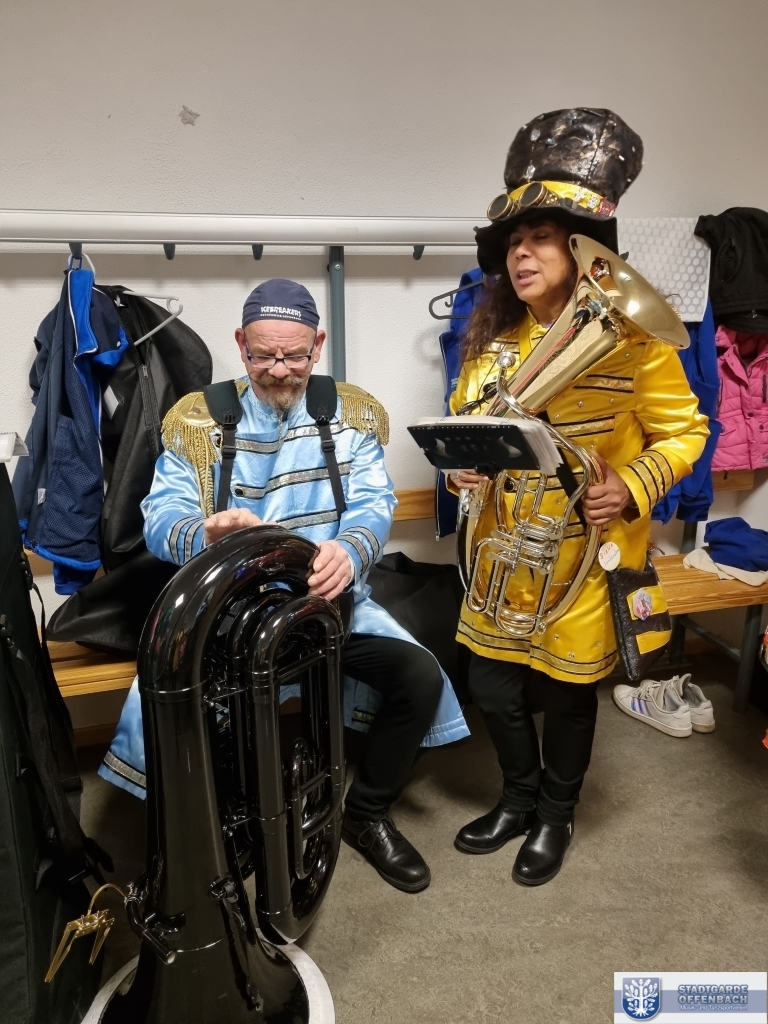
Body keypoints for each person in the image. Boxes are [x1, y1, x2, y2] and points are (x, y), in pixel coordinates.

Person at [99, 277, 468, 894]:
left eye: (293, 356)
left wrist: (351, 551)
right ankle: (223, 826)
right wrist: (203, 533)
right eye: (262, 355)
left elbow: (373, 504)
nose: (277, 370)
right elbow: (159, 518)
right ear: (240, 344)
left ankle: (366, 812)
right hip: (229, 616)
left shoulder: (350, 413)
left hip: (327, 605)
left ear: (317, 345)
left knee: (419, 676)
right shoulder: (197, 419)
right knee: (180, 705)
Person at [448, 109, 709, 885]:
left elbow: (686, 433)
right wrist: (462, 468)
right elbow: (464, 425)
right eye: (512, 243)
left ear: (582, 250)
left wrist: (629, 486)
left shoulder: (636, 341)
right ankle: (516, 798)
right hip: (501, 553)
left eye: (540, 239)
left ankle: (555, 815)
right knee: (491, 685)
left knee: (566, 696)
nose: (520, 255)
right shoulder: (491, 343)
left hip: (583, 559)